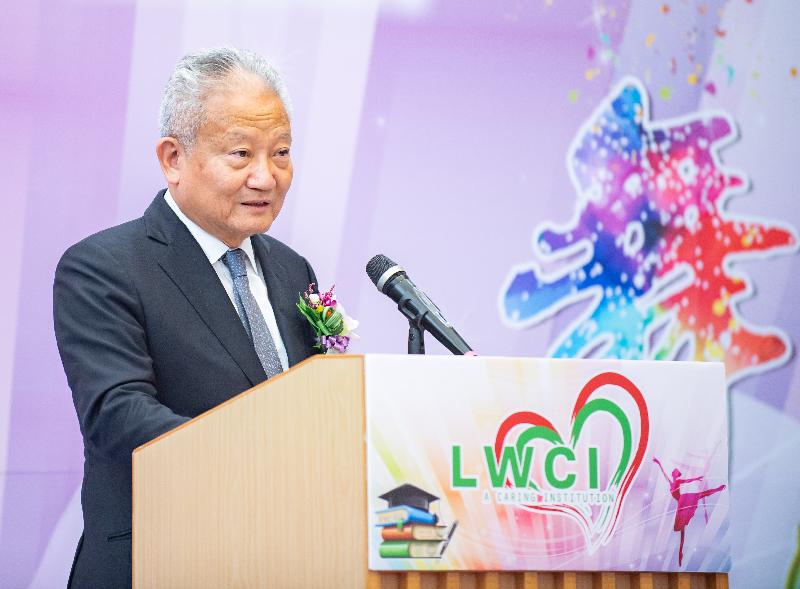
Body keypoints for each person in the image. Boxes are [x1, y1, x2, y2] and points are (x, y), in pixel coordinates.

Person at [53, 47, 319, 588]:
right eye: (241, 154)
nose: (266, 178)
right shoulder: (103, 267)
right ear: (173, 158)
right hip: (161, 559)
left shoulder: (293, 271)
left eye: (282, 153)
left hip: (286, 561)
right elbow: (118, 415)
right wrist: (264, 460)